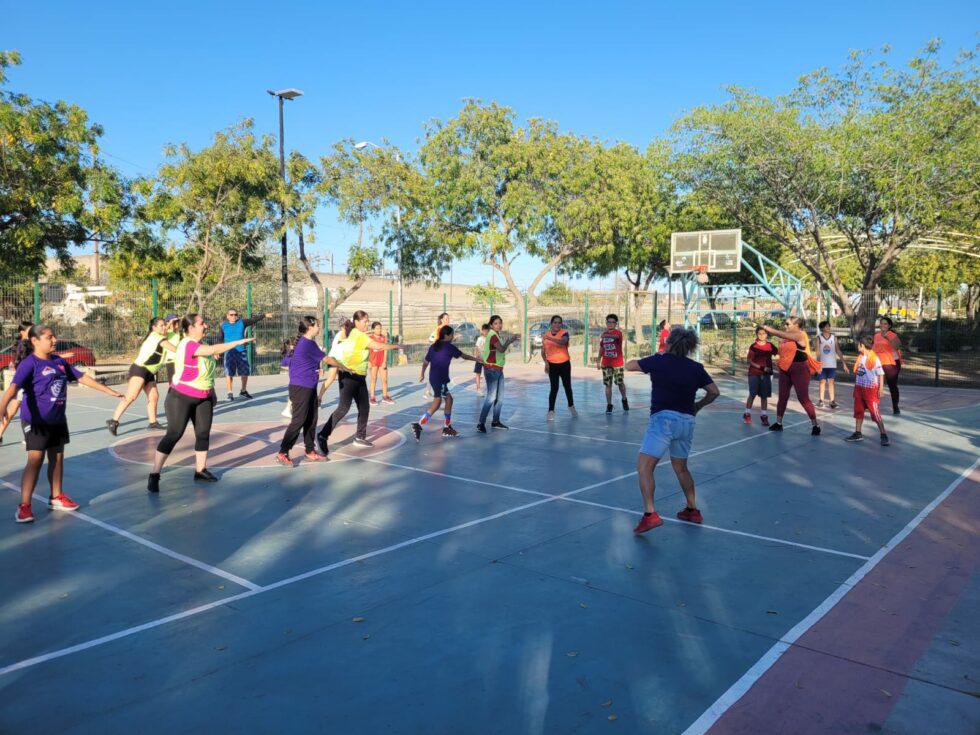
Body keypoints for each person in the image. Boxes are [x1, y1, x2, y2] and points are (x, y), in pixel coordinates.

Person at [1, 325, 123, 523]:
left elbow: (82, 377)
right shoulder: (29, 363)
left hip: (57, 420)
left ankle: (56, 496)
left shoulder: (59, 362)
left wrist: (108, 391)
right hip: (36, 421)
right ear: (35, 341)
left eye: (54, 336)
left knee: (57, 458)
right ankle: (24, 506)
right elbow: (13, 386)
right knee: (35, 460)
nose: (54, 340)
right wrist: (2, 407)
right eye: (49, 337)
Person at [626, 326, 719, 534]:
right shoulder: (696, 367)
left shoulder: (659, 361)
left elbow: (629, 365)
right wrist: (698, 406)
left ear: (670, 343)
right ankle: (692, 509)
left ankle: (650, 515)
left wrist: (655, 357)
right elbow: (714, 392)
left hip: (663, 420)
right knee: (681, 468)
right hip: (686, 421)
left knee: (644, 467)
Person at [147, 314, 254, 493]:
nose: (206, 325)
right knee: (174, 434)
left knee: (203, 434)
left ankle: (200, 470)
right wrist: (237, 342)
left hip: (203, 397)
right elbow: (212, 350)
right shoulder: (187, 344)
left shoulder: (200, 346)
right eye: (202, 323)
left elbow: (206, 370)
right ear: (191, 328)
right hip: (180, 397)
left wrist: (211, 392)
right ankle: (155, 474)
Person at [316, 311, 401, 456]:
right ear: (356, 322)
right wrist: (396, 346)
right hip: (348, 375)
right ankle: (322, 435)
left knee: (364, 407)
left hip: (359, 377)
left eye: (368, 321)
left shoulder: (357, 334)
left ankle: (360, 437)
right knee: (343, 408)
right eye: (364, 321)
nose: (367, 323)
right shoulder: (358, 335)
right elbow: (378, 346)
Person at [276, 317, 345, 465]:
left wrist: (313, 369)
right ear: (310, 327)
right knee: (298, 421)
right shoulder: (308, 343)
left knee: (311, 420)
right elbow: (328, 360)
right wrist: (343, 366)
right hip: (301, 387)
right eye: (318, 325)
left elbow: (307, 361)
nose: (319, 327)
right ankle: (283, 452)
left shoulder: (305, 343)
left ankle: (309, 450)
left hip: (309, 386)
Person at [106, 317, 177, 435]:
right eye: (161, 325)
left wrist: (172, 323)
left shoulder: (163, 334)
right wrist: (191, 352)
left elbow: (172, 330)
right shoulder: (156, 337)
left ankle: (153, 423)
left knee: (154, 396)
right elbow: (174, 348)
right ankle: (113, 421)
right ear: (154, 328)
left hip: (150, 372)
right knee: (131, 396)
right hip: (140, 369)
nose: (164, 327)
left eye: (165, 325)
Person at [412, 325, 484, 441]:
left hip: (435, 378)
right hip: (439, 378)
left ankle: (447, 427)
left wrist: (422, 373)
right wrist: (477, 359)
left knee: (449, 399)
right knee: (437, 401)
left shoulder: (434, 346)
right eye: (452, 334)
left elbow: (426, 362)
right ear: (446, 335)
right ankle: (419, 424)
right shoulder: (448, 347)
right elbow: (464, 356)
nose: (453, 336)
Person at [763, 317, 821, 435]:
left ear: (796, 325)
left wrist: (767, 328)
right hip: (785, 369)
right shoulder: (786, 338)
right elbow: (784, 352)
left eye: (788, 324)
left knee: (803, 398)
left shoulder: (800, 335)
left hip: (800, 370)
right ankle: (779, 423)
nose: (785, 326)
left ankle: (815, 425)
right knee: (782, 397)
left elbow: (779, 334)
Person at [218, 307, 272, 401]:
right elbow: (220, 339)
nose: (234, 316)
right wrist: (217, 351)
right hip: (229, 352)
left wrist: (264, 315)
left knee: (244, 372)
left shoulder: (241, 322)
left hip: (241, 352)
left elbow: (253, 320)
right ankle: (230, 393)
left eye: (235, 314)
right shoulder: (223, 325)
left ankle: (243, 391)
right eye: (231, 315)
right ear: (227, 316)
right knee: (229, 372)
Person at [477, 315, 518, 433]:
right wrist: (510, 341)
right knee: (491, 397)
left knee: (500, 397)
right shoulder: (493, 335)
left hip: (498, 369)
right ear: (491, 325)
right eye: (495, 323)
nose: (498, 325)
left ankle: (495, 421)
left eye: (500, 323)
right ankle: (481, 423)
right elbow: (501, 349)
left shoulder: (495, 335)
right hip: (492, 369)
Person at [845, 335, 890, 446]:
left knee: (875, 413)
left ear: (863, 346)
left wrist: (881, 388)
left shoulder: (874, 359)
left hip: (870, 390)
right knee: (858, 411)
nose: (858, 346)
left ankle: (883, 435)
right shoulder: (861, 356)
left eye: (859, 344)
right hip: (860, 388)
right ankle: (858, 433)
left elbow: (881, 374)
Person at [0, 320, 33, 444]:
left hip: (21, 379)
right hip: (24, 381)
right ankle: (29, 436)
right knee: (26, 409)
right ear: (22, 332)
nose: (33, 331)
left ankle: (0, 434)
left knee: (13, 410)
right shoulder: (24, 344)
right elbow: (22, 364)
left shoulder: (22, 343)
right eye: (31, 329)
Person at [542, 315, 576, 420]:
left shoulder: (564, 333)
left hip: (564, 364)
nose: (557, 324)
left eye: (559, 322)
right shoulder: (546, 336)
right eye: (555, 322)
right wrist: (546, 363)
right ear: (551, 324)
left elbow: (562, 342)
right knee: (554, 388)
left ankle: (571, 406)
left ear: (561, 324)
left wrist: (549, 338)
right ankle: (551, 411)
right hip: (552, 365)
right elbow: (543, 352)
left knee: (567, 386)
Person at [597, 313, 630, 413]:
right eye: (609, 322)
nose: (610, 324)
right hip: (606, 363)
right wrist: (598, 360)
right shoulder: (604, 335)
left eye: (613, 322)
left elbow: (615, 337)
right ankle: (609, 404)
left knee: (620, 383)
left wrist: (604, 335)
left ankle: (624, 399)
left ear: (616, 324)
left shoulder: (618, 333)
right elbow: (602, 348)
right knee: (608, 385)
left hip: (617, 363)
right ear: (606, 323)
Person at [744, 326, 776, 426]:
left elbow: (779, 353)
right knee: (752, 394)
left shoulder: (770, 345)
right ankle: (747, 414)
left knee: (764, 396)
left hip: (766, 375)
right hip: (754, 373)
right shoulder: (753, 346)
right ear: (757, 334)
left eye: (764, 333)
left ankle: (764, 416)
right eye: (760, 333)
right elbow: (749, 360)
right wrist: (761, 368)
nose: (762, 335)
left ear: (767, 334)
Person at [318, 316, 352, 407]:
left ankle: (344, 399)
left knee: (344, 380)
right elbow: (347, 338)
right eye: (346, 324)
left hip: (341, 360)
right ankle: (319, 398)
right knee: (331, 378)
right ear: (343, 325)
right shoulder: (342, 333)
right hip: (334, 358)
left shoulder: (347, 333)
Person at [874, 316, 903, 415]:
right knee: (875, 385)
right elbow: (874, 349)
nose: (883, 325)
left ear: (889, 325)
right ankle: (872, 405)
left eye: (885, 324)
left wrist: (888, 338)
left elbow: (897, 346)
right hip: (879, 364)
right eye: (881, 323)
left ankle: (895, 407)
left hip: (891, 363)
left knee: (892, 386)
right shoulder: (876, 335)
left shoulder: (892, 334)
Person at [816, 321, 848, 408]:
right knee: (822, 382)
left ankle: (832, 401)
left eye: (829, 326)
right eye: (826, 327)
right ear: (822, 328)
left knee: (831, 382)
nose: (828, 328)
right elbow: (818, 352)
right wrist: (818, 364)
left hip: (832, 364)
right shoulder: (819, 338)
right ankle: (821, 400)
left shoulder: (833, 337)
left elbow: (838, 350)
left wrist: (843, 363)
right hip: (823, 364)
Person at [424, 312, 452, 400]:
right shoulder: (440, 329)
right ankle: (442, 397)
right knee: (439, 374)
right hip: (438, 355)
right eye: (446, 319)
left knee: (436, 373)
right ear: (442, 320)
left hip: (441, 354)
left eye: (448, 318)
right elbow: (435, 340)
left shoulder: (445, 329)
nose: (448, 320)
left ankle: (428, 391)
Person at [368, 321, 395, 405]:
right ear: (373, 329)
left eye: (380, 328)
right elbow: (367, 350)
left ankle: (385, 396)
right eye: (377, 328)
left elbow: (385, 350)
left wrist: (384, 361)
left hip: (381, 361)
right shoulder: (370, 338)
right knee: (373, 379)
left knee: (384, 379)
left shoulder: (383, 338)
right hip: (373, 361)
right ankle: (372, 398)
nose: (379, 330)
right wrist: (368, 361)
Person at [473, 324, 489, 395]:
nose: (485, 332)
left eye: (487, 331)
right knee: (478, 374)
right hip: (479, 359)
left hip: (487, 360)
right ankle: (478, 389)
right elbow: (477, 348)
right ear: (482, 331)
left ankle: (489, 388)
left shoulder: (489, 339)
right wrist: (477, 357)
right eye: (484, 331)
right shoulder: (480, 339)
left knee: (487, 374)